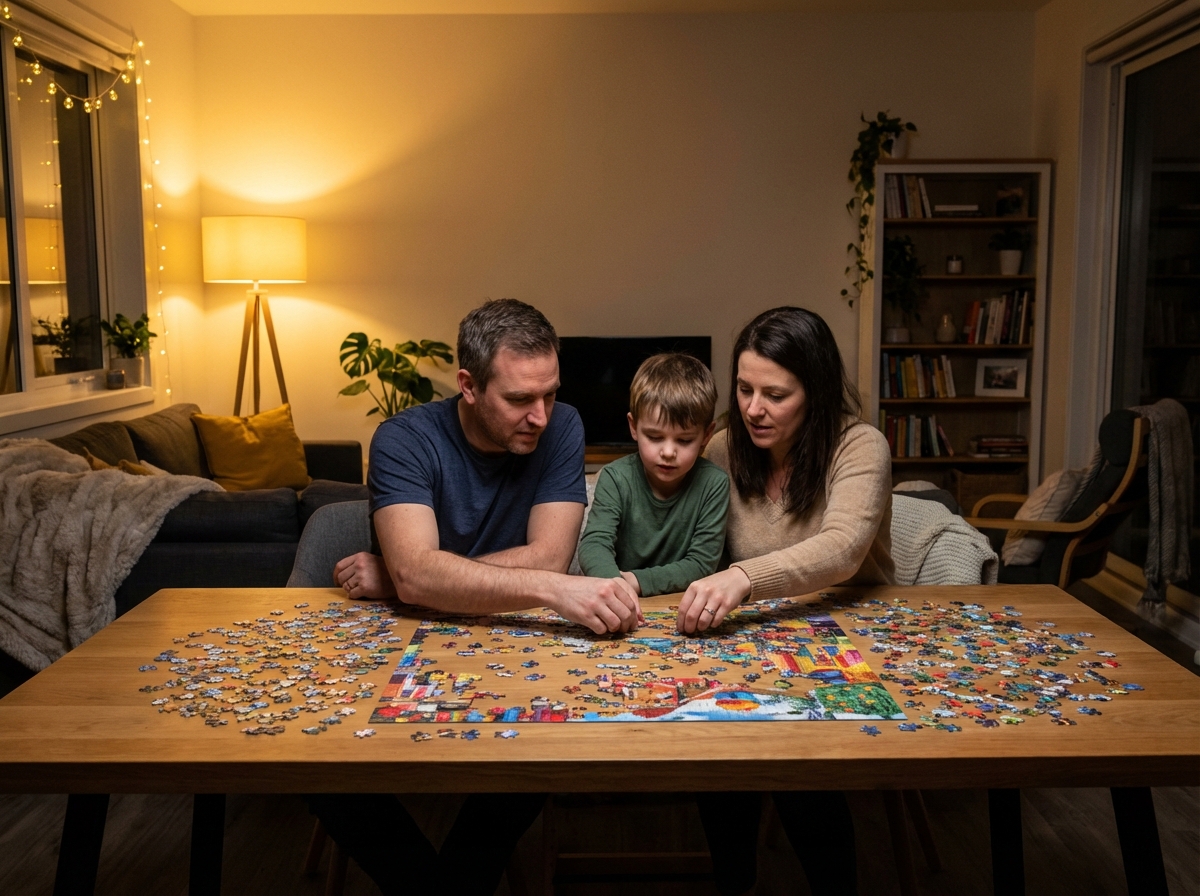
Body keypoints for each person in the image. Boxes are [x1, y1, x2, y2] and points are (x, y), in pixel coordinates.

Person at [309, 298, 642, 895]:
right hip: (392, 651)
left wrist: (411, 578)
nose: (540, 416)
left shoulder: (562, 425)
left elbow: (548, 554)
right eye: (519, 400)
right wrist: (539, 588)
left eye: (549, 394)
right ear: (468, 385)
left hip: (509, 651)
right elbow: (531, 573)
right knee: (312, 763)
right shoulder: (403, 440)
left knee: (542, 744)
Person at [680, 306, 894, 896]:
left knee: (800, 765)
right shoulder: (724, 449)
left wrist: (742, 576)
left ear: (816, 391)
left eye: (775, 394)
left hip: (853, 642)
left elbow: (844, 548)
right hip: (758, 639)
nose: (753, 408)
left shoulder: (860, 445)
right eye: (745, 389)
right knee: (720, 754)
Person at [577, 352, 729, 596]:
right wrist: (615, 586)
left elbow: (701, 564)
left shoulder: (714, 484)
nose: (668, 452)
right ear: (633, 427)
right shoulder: (615, 478)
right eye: (655, 437)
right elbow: (594, 544)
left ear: (707, 435)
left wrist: (635, 581)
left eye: (685, 440)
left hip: (683, 606)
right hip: (618, 600)